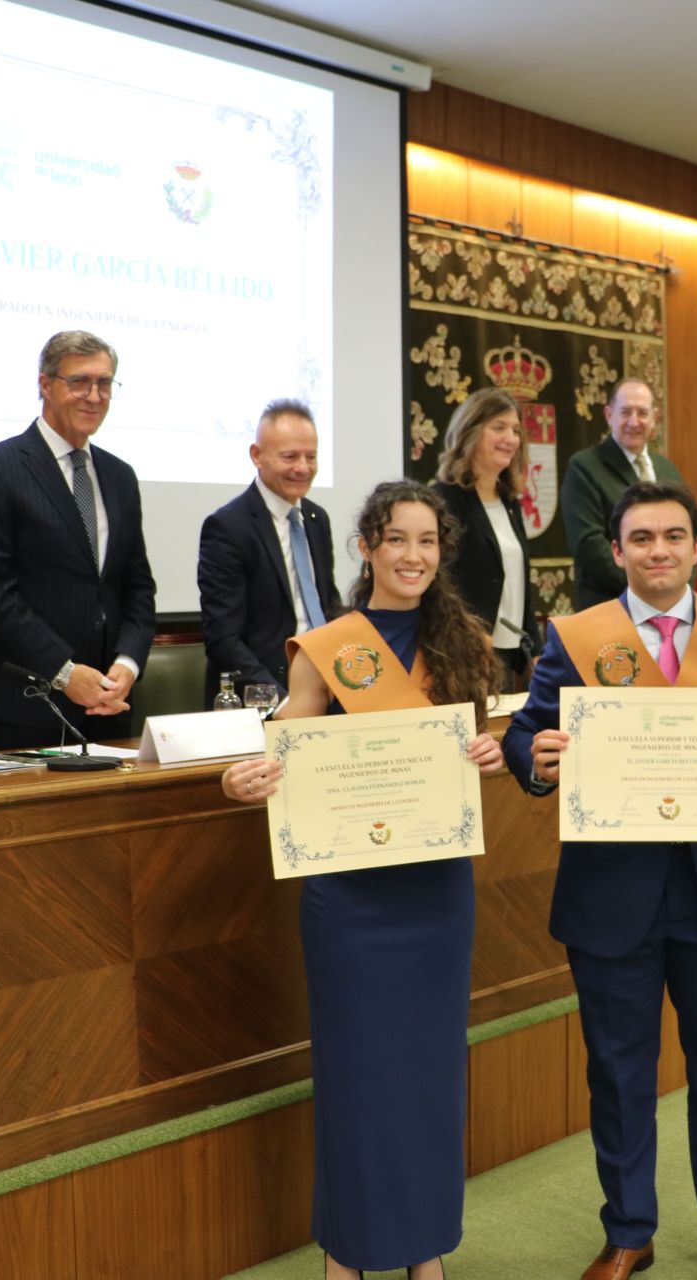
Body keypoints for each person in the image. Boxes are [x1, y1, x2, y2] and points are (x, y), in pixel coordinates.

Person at [503, 480, 697, 1280]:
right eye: (641, 539)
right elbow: (529, 730)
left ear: (696, 548)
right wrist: (531, 763)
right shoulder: (576, 635)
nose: (660, 551)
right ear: (618, 552)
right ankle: (629, 1231)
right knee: (618, 1077)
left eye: (674, 536)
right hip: (612, 894)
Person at [220, 480, 505, 1280]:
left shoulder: (464, 642)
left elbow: (479, 748)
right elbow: (280, 744)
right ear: (366, 549)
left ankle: (425, 1251)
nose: (414, 556)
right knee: (355, 1076)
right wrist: (237, 782)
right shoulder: (329, 645)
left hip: (434, 890)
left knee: (430, 1076)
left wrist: (491, 754)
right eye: (398, 540)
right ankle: (345, 1255)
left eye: (428, 542)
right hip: (351, 895)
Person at [0, 330, 155, 750]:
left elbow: (136, 586)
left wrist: (127, 663)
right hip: (29, 706)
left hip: (110, 705)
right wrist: (64, 673)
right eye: (79, 381)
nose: (94, 396)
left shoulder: (120, 476)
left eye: (104, 383)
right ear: (45, 384)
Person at [198, 399, 343, 704]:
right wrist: (280, 699)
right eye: (290, 456)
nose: (303, 468)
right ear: (257, 455)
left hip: (326, 685)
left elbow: (326, 604)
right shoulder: (228, 527)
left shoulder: (317, 519)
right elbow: (224, 640)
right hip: (267, 695)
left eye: (311, 457)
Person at [432, 386, 541, 688]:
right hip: (465, 656)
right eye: (499, 427)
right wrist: (470, 637)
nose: (511, 439)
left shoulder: (510, 503)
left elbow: (520, 583)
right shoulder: (444, 500)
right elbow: (440, 585)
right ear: (471, 431)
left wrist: (536, 651)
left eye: (516, 430)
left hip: (510, 655)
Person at [561, 378, 685, 611]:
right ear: (609, 415)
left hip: (668, 607)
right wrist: (648, 585)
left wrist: (674, 587)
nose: (634, 422)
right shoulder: (584, 467)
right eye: (626, 412)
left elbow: (684, 535)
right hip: (609, 606)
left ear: (655, 418)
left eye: (642, 413)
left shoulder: (668, 470)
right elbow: (589, 545)